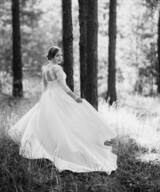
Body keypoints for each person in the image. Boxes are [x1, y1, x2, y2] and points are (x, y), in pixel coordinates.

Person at [8, 46, 117, 174]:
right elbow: (64, 86)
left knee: (51, 124)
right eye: (57, 56)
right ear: (51, 57)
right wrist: (74, 97)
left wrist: (43, 100)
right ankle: (64, 150)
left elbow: (44, 86)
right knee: (64, 122)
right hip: (58, 96)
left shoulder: (45, 68)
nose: (60, 58)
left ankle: (47, 147)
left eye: (61, 55)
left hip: (48, 97)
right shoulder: (57, 68)